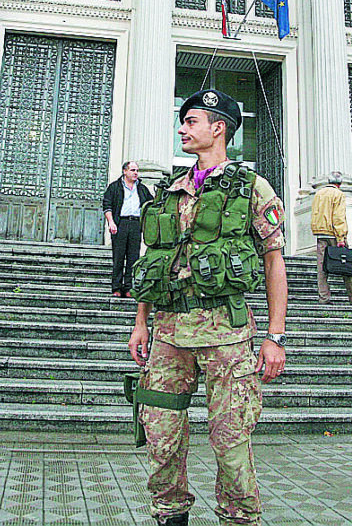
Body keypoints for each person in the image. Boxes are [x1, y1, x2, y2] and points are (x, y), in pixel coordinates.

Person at [128, 89, 288, 526]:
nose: (182, 128)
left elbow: (275, 262)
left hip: (228, 337)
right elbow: (154, 261)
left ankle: (239, 519)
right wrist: (140, 323)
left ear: (218, 128)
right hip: (168, 334)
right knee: (160, 436)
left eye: (192, 121)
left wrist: (275, 337)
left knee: (230, 443)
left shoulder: (253, 188)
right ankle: (170, 515)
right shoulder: (168, 192)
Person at [311, 171, 352, 305]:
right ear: (340, 183)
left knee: (322, 268)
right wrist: (341, 238)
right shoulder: (338, 194)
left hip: (321, 233)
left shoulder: (319, 194)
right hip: (333, 233)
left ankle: (324, 298)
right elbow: (338, 217)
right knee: (347, 264)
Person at [102, 160, 153, 297]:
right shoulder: (115, 187)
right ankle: (116, 288)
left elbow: (150, 205)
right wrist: (111, 222)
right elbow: (107, 205)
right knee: (118, 257)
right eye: (132, 170)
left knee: (133, 257)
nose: (136, 173)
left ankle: (129, 287)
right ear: (125, 171)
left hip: (136, 224)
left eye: (137, 170)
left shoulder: (142, 189)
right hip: (121, 224)